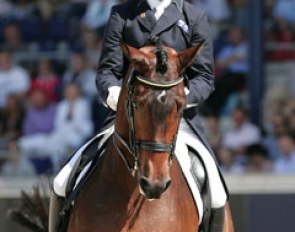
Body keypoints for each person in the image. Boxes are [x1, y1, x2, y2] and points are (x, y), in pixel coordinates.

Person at [50, 1, 228, 231]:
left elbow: (204, 78)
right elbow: (107, 72)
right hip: (130, 114)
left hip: (177, 120)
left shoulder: (194, 17)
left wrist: (176, 98)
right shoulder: (123, 14)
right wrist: (119, 99)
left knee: (216, 191)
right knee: (62, 181)